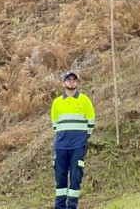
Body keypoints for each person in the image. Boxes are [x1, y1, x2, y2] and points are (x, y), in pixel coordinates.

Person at [51, 71, 95, 209]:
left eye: (74, 80)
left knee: (76, 177)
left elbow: (91, 122)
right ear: (64, 83)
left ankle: (72, 206)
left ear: (77, 83)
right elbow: (55, 125)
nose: (71, 82)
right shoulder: (57, 102)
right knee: (60, 178)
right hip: (61, 146)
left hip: (78, 146)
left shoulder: (84, 100)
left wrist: (82, 138)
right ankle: (59, 206)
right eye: (68, 80)